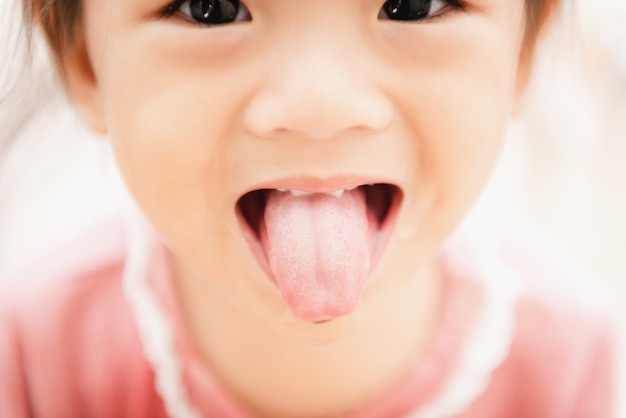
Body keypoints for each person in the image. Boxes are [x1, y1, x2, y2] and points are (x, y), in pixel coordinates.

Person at [0, 0, 616, 416]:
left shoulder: (569, 372)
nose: (318, 104)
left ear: (522, 54)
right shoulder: (34, 361)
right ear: (83, 63)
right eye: (210, 6)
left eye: (413, 3)